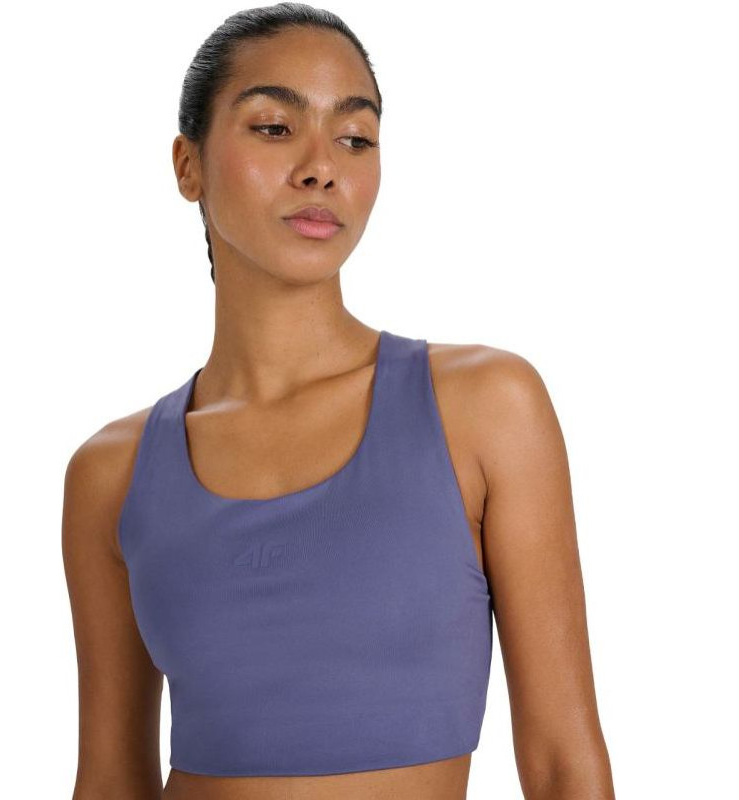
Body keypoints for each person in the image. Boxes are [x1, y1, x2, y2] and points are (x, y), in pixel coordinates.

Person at [62, 4, 615, 799]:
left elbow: (565, 764)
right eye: (274, 128)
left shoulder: (486, 408)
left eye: (355, 138)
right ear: (188, 166)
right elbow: (110, 780)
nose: (322, 167)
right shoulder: (111, 474)